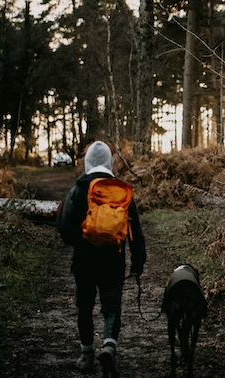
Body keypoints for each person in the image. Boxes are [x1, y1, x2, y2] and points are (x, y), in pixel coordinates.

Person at [57, 141, 146, 375]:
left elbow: (65, 229)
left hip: (84, 261)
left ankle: (87, 356)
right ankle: (109, 345)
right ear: (110, 162)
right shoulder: (121, 190)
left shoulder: (78, 188)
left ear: (87, 162)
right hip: (113, 261)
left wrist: (80, 240)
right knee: (112, 306)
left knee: (84, 307)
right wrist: (138, 262)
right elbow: (135, 231)